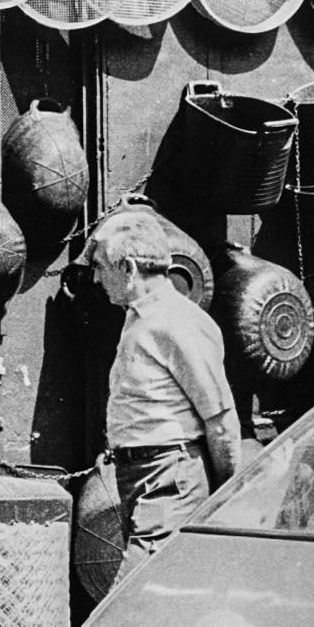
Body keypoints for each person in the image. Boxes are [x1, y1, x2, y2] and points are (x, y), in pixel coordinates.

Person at [87, 213, 240, 578]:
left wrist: (227, 496)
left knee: (129, 605)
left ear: (128, 268)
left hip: (170, 480)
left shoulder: (175, 321)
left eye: (99, 267)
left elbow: (220, 421)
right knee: (166, 597)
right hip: (143, 478)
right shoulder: (140, 317)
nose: (95, 278)